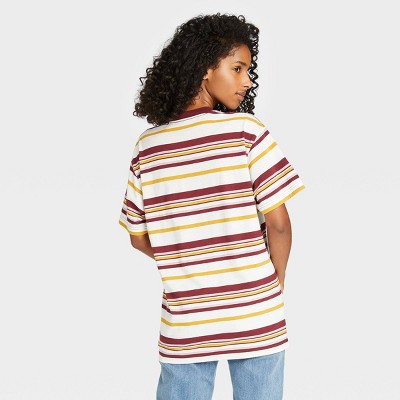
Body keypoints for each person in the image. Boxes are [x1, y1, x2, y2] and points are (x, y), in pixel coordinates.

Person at [118, 13, 305, 400]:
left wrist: (185, 257)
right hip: (255, 311)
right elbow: (279, 224)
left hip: (186, 319)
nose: (247, 80)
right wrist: (275, 281)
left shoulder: (147, 148)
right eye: (237, 68)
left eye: (247, 71)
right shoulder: (246, 132)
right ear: (205, 69)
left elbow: (138, 237)